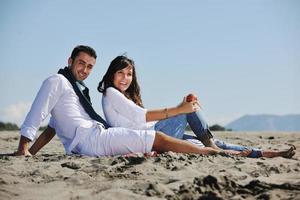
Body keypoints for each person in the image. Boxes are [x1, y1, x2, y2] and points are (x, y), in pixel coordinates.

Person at [15, 45, 246, 157]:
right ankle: (211, 152)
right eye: (81, 63)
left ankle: (241, 152)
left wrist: (31, 154)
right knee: (157, 138)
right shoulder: (57, 81)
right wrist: (22, 149)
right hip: (92, 140)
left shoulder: (74, 92)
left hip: (96, 136)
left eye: (89, 66)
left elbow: (51, 129)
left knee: (164, 139)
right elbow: (37, 114)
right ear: (70, 60)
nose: (85, 70)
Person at [97, 55, 296, 159]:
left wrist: (180, 109)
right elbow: (141, 116)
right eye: (121, 73)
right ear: (112, 74)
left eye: (129, 74)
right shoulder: (110, 93)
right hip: (151, 138)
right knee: (190, 110)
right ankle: (211, 144)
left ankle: (264, 153)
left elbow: (140, 119)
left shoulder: (122, 96)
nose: (125, 78)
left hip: (155, 133)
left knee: (214, 143)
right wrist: (179, 109)